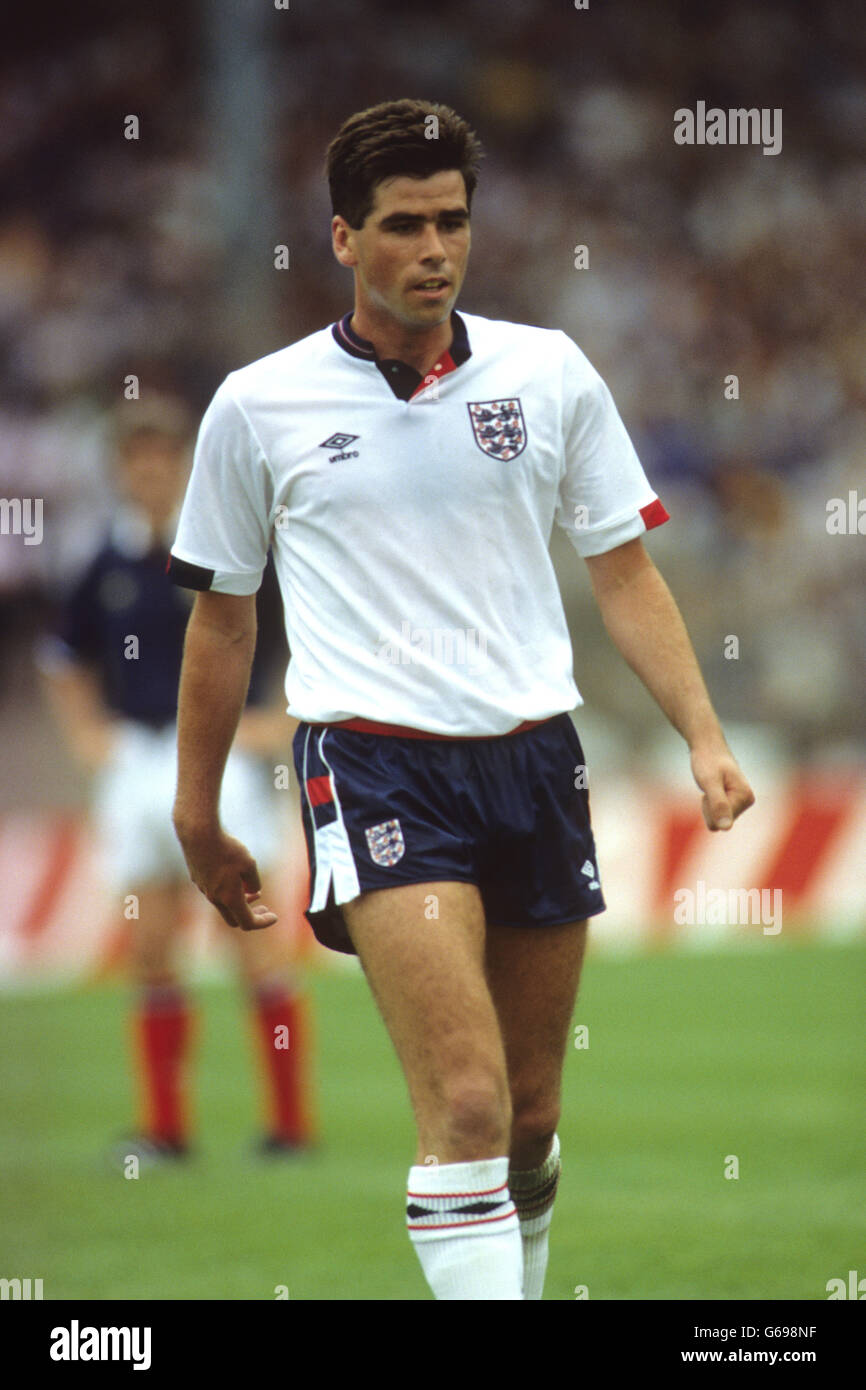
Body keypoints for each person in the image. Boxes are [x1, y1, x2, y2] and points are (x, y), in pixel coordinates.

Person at [167, 99, 754, 1298]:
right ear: (341, 239)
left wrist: (702, 734)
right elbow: (222, 617)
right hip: (375, 765)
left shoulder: (547, 372)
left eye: (451, 222)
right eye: (402, 226)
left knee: (530, 1115)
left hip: (535, 758)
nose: (433, 249)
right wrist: (197, 810)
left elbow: (623, 571)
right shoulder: (257, 405)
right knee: (469, 1099)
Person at [40, 396, 315, 1165]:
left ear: (183, 462)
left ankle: (289, 1125)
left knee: (251, 935)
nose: (152, 470)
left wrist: (280, 718)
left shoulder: (223, 544)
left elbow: (305, 627)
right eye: (138, 458)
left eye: (163, 455)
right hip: (138, 760)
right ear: (123, 471)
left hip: (221, 757)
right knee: (151, 944)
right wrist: (89, 736)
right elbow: (62, 659)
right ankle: (165, 1127)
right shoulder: (106, 564)